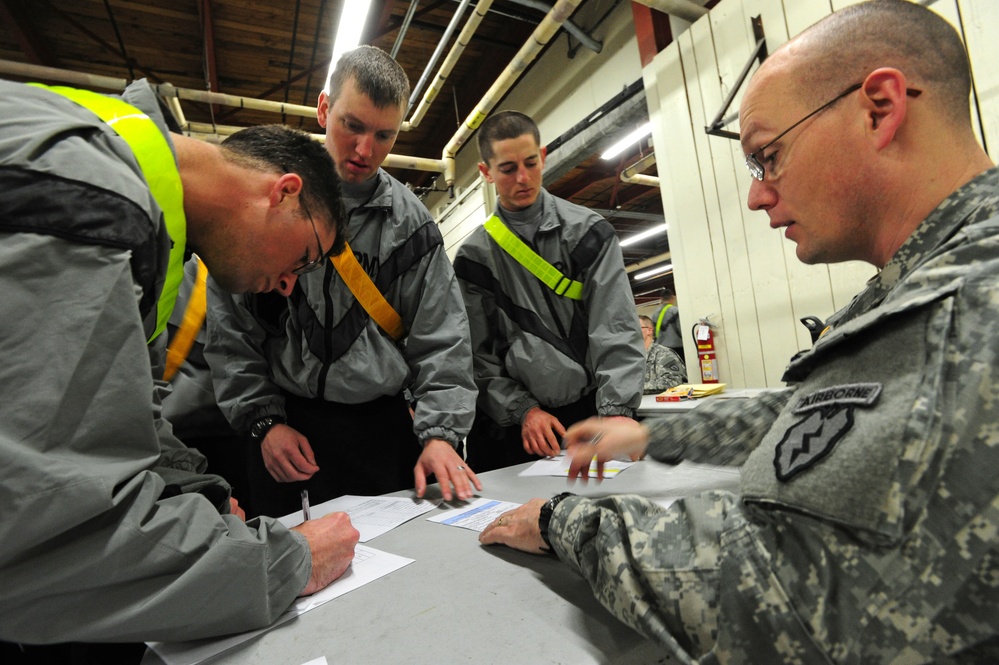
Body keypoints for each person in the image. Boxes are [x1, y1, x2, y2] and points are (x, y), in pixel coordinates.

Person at [477, 1, 999, 661]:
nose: (756, 195)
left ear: (879, 108)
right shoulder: (939, 274)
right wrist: (654, 431)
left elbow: (772, 591)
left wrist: (565, 519)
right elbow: (825, 411)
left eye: (767, 156)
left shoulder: (969, 310)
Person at [0, 78, 360, 656]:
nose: (291, 282)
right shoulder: (91, 195)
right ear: (285, 192)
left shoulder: (130, 193)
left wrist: (198, 490)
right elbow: (44, 538)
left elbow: (124, 413)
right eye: (304, 256)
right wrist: (287, 561)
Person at [205, 45, 480, 518]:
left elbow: (443, 338)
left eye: (384, 135)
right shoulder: (268, 200)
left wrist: (440, 435)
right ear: (323, 108)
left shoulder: (412, 226)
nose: (364, 150)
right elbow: (231, 334)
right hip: (287, 431)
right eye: (352, 125)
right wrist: (263, 422)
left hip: (381, 431)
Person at [453, 110, 645, 472]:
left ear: (542, 156)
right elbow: (477, 356)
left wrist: (618, 411)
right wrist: (521, 410)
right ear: (486, 173)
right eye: (508, 169)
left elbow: (615, 324)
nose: (523, 178)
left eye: (530, 163)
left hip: (590, 415)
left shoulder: (589, 234)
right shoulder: (473, 258)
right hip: (514, 429)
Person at [639, 314, 686, 394]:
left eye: (636, 328)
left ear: (649, 330)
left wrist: (635, 388)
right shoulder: (630, 358)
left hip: (661, 404)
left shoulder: (664, 354)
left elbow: (673, 381)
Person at [653, 287, 684, 361]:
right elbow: (680, 328)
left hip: (661, 349)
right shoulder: (675, 311)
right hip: (677, 348)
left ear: (661, 298)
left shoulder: (654, 314)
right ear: (672, 297)